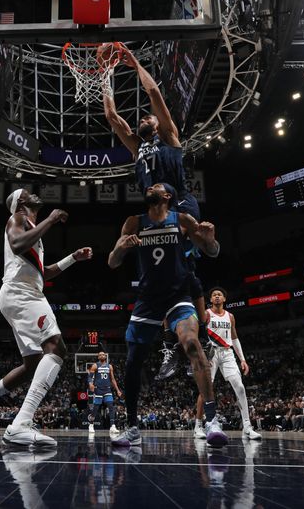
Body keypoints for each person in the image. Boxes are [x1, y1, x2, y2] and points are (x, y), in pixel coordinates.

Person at [0, 188, 92, 447]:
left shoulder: (30, 228)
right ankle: (20, 424)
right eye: (29, 193)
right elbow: (18, 244)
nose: (36, 194)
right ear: (21, 202)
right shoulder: (18, 220)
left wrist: (72, 258)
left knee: (31, 365)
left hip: (22, 293)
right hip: (22, 294)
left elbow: (44, 273)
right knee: (56, 347)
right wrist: (51, 220)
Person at [103, 43, 205, 380]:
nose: (144, 119)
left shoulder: (170, 137)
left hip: (181, 203)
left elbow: (154, 94)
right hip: (155, 211)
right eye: (143, 119)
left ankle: (191, 336)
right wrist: (105, 75)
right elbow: (112, 119)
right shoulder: (137, 147)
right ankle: (173, 343)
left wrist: (132, 63)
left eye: (147, 118)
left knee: (185, 269)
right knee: (160, 276)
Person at [107, 182, 227, 447]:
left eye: (157, 186)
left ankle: (212, 421)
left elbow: (213, 251)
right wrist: (121, 248)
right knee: (132, 362)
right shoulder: (133, 222)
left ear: (168, 196)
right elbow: (112, 262)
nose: (150, 186)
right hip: (148, 299)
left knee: (193, 344)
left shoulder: (182, 219)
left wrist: (209, 238)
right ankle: (132, 427)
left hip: (178, 295)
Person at [193, 287, 262, 440]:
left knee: (240, 386)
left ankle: (247, 427)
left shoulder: (230, 316)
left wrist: (242, 359)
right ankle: (198, 426)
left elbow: (235, 338)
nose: (217, 297)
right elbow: (197, 332)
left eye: (220, 295)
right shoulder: (206, 314)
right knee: (205, 389)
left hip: (227, 352)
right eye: (214, 295)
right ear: (210, 300)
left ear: (224, 299)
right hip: (210, 353)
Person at [87, 351, 123, 436]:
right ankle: (91, 424)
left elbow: (113, 379)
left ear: (105, 356)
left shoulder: (109, 366)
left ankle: (112, 426)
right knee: (96, 407)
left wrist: (117, 390)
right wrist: (90, 384)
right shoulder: (95, 365)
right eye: (100, 355)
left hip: (107, 389)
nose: (102, 355)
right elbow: (89, 377)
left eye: (103, 354)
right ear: (98, 357)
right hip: (98, 389)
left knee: (111, 406)